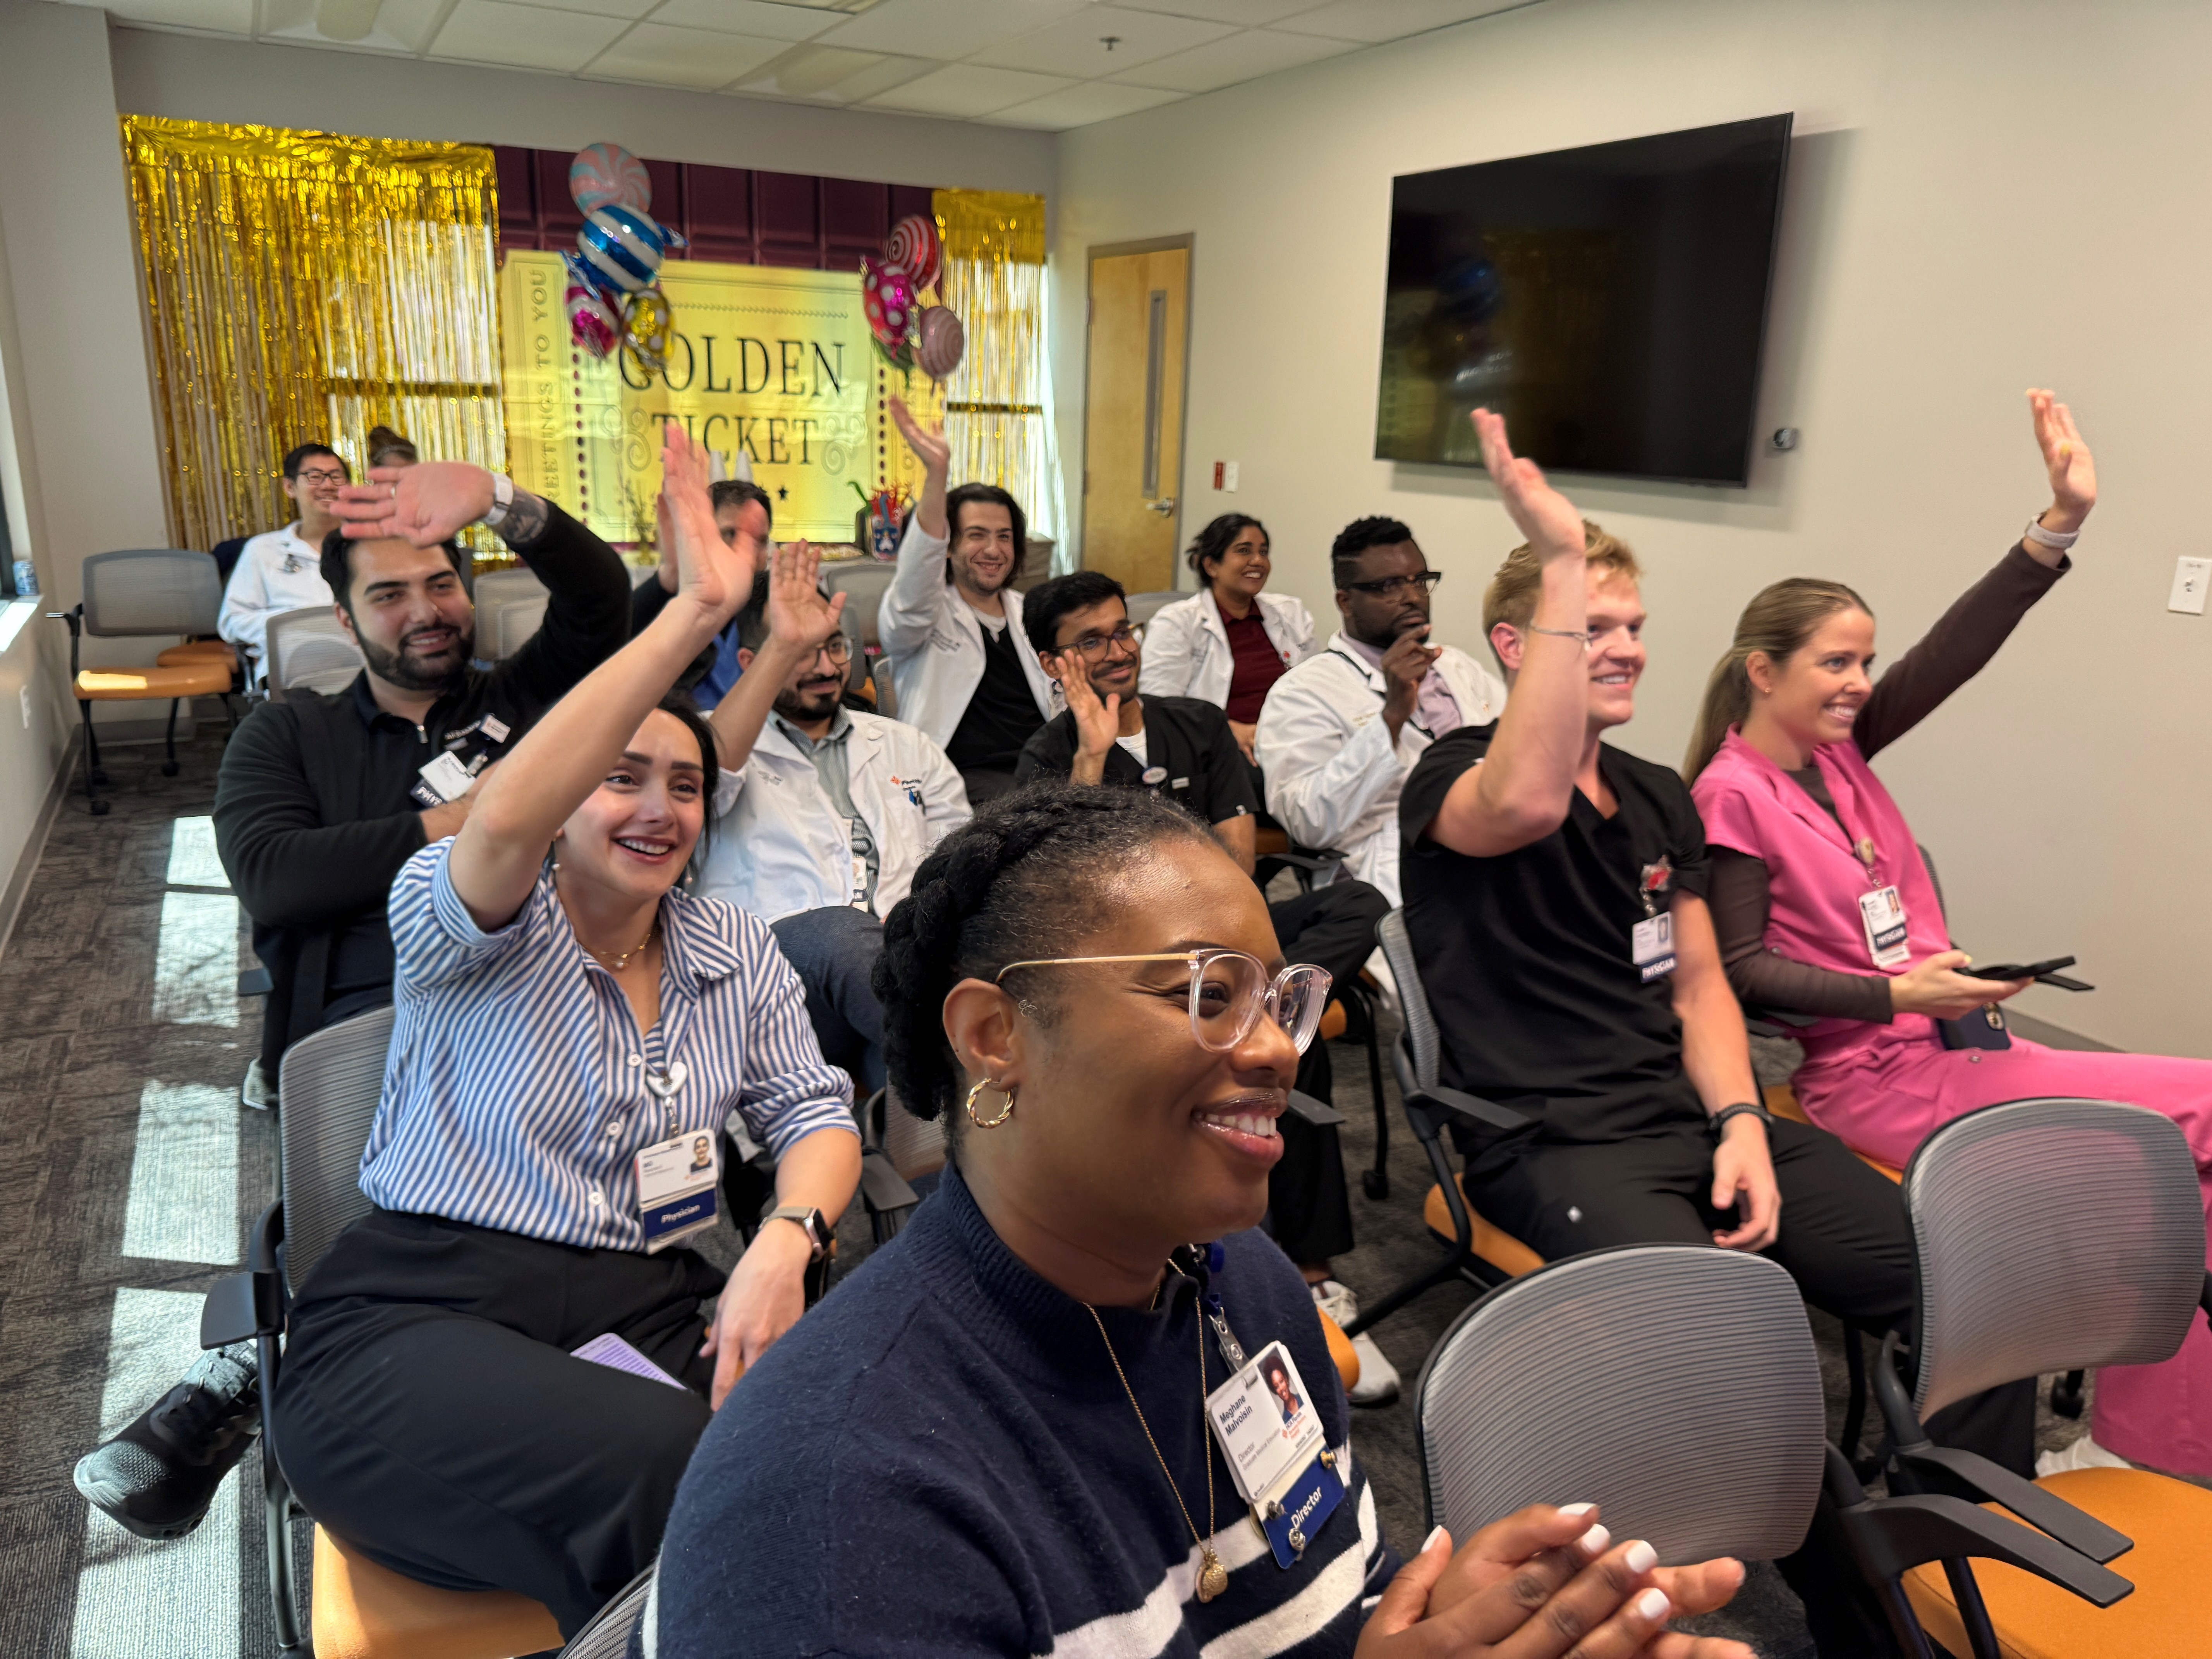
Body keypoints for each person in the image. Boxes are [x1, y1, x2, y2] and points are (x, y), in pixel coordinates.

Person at [651, 782, 1752, 1659]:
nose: (1281, 1046)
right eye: (1208, 992)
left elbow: (1313, 1605)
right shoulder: (840, 1507)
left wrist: (1440, 1617)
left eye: (1280, 998)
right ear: (996, 1035)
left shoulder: (1245, 1282)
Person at [1397, 408, 2034, 1656]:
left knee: (1974, 1282)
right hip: (1551, 1143)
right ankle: (1881, 1636)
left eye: (1635, 627)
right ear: (1520, 648)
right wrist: (1557, 548)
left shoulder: (1652, 797)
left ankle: (1965, 1556)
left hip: (1695, 1123)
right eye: (1595, 628)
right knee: (1745, 1358)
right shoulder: (1457, 777)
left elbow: (1700, 992)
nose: (1626, 650)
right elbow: (1524, 798)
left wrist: (1742, 1119)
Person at [264, 422, 859, 1638]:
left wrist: (784, 1237)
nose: (655, 808)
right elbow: (498, 823)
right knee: (698, 1480)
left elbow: (814, 1114)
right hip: (418, 1316)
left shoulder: (727, 948)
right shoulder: (465, 916)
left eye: (684, 785)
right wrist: (693, 616)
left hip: (632, 1306)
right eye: (617, 778)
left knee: (839, 1456)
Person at [71, 450, 634, 1547]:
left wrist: (508, 503)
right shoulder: (289, 734)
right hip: (367, 1022)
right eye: (389, 592)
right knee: (406, 1134)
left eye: (441, 582)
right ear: (343, 612)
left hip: (542, 1001)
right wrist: (482, 817)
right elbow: (280, 875)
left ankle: (249, 1367)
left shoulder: (524, 698)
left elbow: (602, 599)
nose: (425, 610)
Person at [1687, 389, 2212, 1480]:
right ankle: (2132, 1447)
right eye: (1835, 662)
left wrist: (2056, 523)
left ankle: (2150, 1444)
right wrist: (1900, 997)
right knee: (2200, 1115)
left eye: (1865, 663)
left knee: (2186, 1172)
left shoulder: (1836, 754)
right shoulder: (1730, 796)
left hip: (1959, 1045)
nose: (1861, 683)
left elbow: (1958, 649)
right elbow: (1737, 972)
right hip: (1876, 1074)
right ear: (1764, 671)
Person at [1015, 570, 1400, 1404]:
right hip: (1131, 966)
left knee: (1359, 904)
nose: (1118, 650)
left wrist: (1230, 959)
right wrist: (1090, 753)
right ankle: (1301, 1268)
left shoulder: (1195, 726)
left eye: (1124, 631)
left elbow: (1238, 864)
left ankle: (1308, 1269)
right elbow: (1065, 897)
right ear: (1056, 664)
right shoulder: (1048, 759)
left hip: (1230, 944)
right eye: (1093, 641)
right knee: (1293, 1050)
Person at [697, 541, 971, 1094]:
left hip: (894, 980)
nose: (826, 668)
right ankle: (982, 1076)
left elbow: (960, 863)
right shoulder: (709, 743)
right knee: (836, 933)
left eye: (836, 647)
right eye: (800, 652)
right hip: (775, 982)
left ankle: (936, 1143)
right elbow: (708, 779)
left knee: (897, 1073)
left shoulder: (907, 746)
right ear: (753, 663)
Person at [1255, 515, 1504, 905]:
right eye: (1389, 586)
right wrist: (1391, 718)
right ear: (1345, 601)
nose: (1413, 596)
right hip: (1391, 867)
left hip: (1496, 842)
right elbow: (1309, 824)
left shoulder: (1458, 667)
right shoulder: (1303, 692)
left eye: (1420, 580)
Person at [876, 398, 1057, 805]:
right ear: (948, 545)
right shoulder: (923, 614)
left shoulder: (1029, 612)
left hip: (1042, 770)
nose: (993, 550)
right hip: (960, 780)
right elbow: (917, 577)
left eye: (1004, 537)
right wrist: (936, 475)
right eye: (976, 535)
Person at [1139, 513, 1318, 767]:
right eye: (1244, 551)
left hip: (1291, 739)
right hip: (1221, 747)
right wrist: (1228, 729)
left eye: (1263, 552)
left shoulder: (1290, 612)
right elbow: (1159, 705)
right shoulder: (1177, 622)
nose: (1258, 561)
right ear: (1211, 565)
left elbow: (1315, 682)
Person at [634, 477, 776, 708]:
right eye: (730, 534)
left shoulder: (778, 606)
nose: (747, 553)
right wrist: (668, 578)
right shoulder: (666, 602)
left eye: (760, 541)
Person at [218, 441, 348, 684]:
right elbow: (232, 621)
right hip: (292, 665)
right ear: (290, 487)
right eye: (315, 477)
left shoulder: (370, 547)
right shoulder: (263, 550)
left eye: (336, 477)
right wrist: (294, 627)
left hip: (359, 660)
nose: (328, 485)